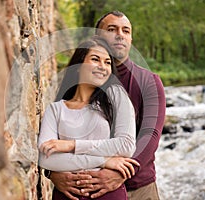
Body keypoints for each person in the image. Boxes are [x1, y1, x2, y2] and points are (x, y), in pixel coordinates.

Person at [48, 11, 166, 200]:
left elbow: (150, 136)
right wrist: (52, 173)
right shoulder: (75, 82)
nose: (120, 34)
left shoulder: (148, 82)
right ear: (97, 37)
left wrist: (120, 174)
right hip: (82, 187)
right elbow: (53, 135)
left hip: (138, 188)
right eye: (112, 29)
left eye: (126, 31)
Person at [38, 36, 139, 199]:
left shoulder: (116, 97)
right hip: (68, 195)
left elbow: (126, 145)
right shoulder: (55, 109)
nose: (103, 66)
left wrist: (71, 145)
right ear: (78, 65)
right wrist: (105, 161)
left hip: (107, 194)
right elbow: (46, 160)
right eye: (95, 59)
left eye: (107, 62)